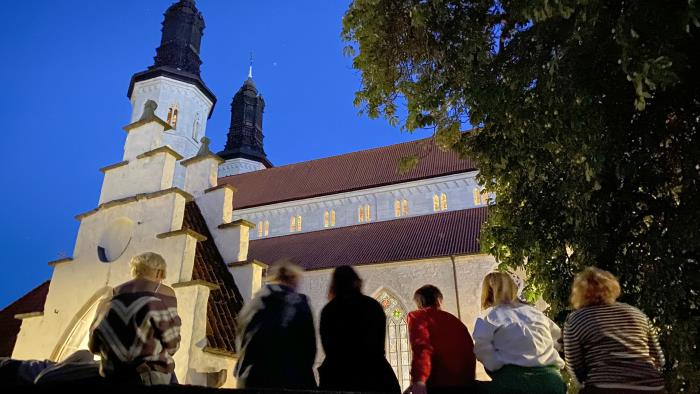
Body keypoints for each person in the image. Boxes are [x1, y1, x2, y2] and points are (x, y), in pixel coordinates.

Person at [563, 267, 665, 393]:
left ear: (578, 293)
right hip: (651, 386)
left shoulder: (575, 319)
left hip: (605, 386)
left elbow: (575, 367)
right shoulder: (637, 314)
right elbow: (659, 358)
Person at [89, 252, 181, 385]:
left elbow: (94, 345)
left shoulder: (113, 294)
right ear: (159, 273)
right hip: (147, 373)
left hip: (112, 371)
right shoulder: (164, 292)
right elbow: (172, 343)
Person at [473, 272, 566, 394]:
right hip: (553, 382)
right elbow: (559, 340)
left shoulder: (491, 318)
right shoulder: (536, 313)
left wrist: (499, 363)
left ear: (488, 294)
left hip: (516, 384)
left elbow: (482, 351)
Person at [233, 260, 317, 389]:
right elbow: (309, 348)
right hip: (290, 380)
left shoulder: (253, 304)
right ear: (293, 280)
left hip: (252, 379)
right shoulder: (298, 303)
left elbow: (240, 339)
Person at [318, 266, 400, 394]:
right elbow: (378, 344)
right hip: (375, 377)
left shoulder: (329, 310)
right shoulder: (373, 306)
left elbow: (329, 348)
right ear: (356, 282)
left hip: (339, 379)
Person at [405, 285, 476, 394]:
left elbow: (422, 348)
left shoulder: (418, 316)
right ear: (439, 300)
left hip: (437, 384)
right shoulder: (455, 321)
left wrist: (419, 381)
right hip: (465, 384)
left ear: (419, 303)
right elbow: (469, 351)